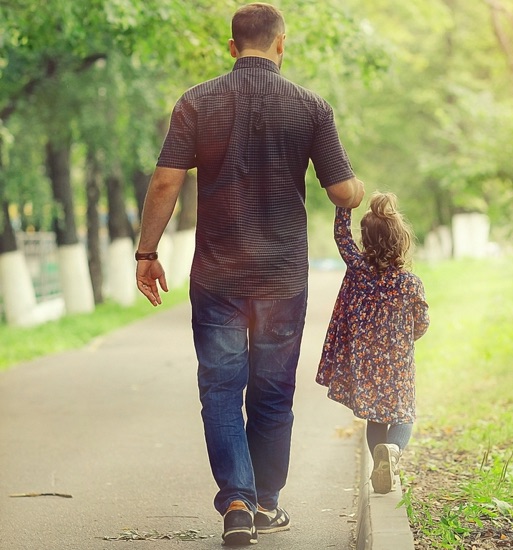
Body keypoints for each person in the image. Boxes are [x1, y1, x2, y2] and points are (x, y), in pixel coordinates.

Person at [134, 3, 365, 546]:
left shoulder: (195, 102)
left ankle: (236, 500)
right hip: (283, 274)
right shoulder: (311, 107)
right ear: (281, 45)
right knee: (272, 391)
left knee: (219, 388)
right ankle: (266, 502)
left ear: (232, 47)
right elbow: (341, 190)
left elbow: (166, 182)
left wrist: (147, 253)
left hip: (218, 274)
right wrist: (356, 192)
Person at [316, 192, 429, 494]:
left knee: (375, 417)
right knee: (403, 415)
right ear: (401, 240)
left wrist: (344, 198)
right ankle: (392, 452)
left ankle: (380, 465)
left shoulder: (358, 270)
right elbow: (422, 323)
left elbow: (341, 234)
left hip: (366, 362)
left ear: (365, 240)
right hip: (398, 362)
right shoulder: (410, 283)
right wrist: (407, 337)